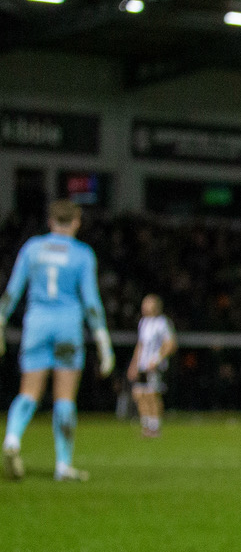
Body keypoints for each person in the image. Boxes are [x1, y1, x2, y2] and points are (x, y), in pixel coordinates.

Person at [1, 199, 114, 481]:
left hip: (36, 326)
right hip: (67, 327)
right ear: (76, 222)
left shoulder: (32, 248)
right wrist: (102, 339)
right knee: (64, 397)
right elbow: (91, 301)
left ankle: (12, 438)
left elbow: (12, 291)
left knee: (29, 391)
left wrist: (1, 320)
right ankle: (63, 464)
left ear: (51, 221)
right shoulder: (82, 254)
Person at [126, 293, 177, 438]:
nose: (144, 306)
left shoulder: (162, 323)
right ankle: (146, 425)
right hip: (142, 365)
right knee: (139, 394)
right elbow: (140, 345)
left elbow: (170, 344)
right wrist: (134, 365)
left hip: (154, 366)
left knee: (152, 394)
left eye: (147, 303)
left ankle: (155, 427)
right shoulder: (143, 322)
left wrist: (156, 359)